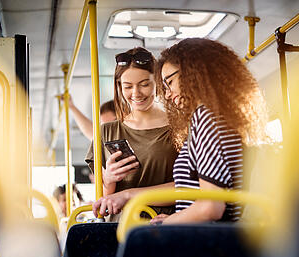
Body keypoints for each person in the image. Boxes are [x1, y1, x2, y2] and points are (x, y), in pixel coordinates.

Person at [150, 38, 268, 224]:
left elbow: (210, 207)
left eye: (170, 82)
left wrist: (166, 224)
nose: (167, 94)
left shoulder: (207, 117)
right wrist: (177, 217)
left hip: (210, 242)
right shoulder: (223, 116)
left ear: (193, 72)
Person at [85, 47, 179, 220]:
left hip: (165, 225)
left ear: (157, 83)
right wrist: (109, 179)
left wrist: (129, 194)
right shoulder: (106, 131)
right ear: (119, 86)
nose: (136, 93)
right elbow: (103, 200)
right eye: (128, 86)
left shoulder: (179, 126)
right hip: (120, 228)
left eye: (144, 84)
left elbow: (189, 187)